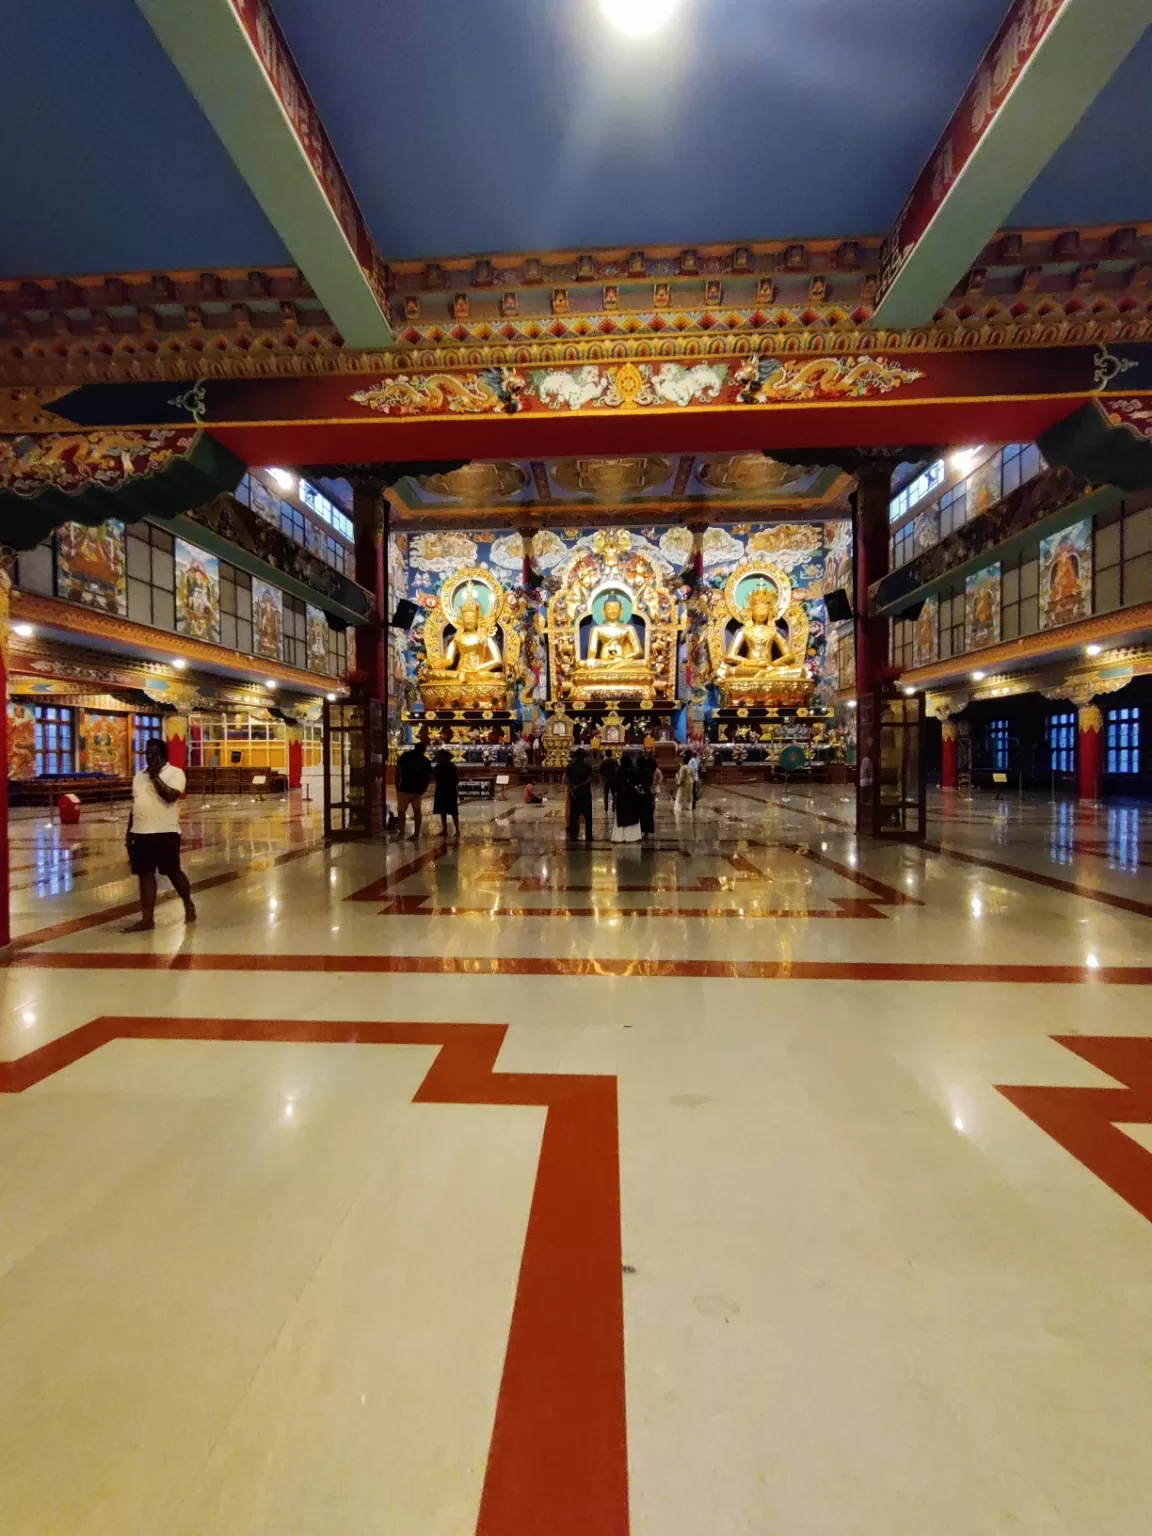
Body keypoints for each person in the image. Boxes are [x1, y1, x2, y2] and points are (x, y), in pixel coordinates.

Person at [125, 737, 196, 932]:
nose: (149, 757)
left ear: (162, 755)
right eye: (146, 753)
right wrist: (129, 832)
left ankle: (188, 902)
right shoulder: (139, 776)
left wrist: (155, 777)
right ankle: (147, 919)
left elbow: (170, 797)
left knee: (173, 872)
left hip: (166, 833)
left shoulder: (175, 773)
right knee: (145, 875)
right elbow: (135, 806)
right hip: (141, 832)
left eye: (153, 754)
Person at [395, 739, 432, 839]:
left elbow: (398, 771)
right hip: (418, 790)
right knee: (417, 812)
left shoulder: (405, 757)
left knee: (401, 811)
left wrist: (397, 786)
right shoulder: (425, 761)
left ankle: (401, 833)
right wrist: (424, 787)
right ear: (424, 750)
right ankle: (416, 833)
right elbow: (429, 776)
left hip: (405, 788)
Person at [564, 746, 595, 845]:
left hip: (574, 794)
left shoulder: (570, 766)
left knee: (574, 816)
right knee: (588, 816)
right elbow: (590, 779)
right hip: (585, 793)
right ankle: (589, 836)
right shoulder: (587, 765)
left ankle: (573, 835)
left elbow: (566, 780)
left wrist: (572, 790)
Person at [611, 753, 643, 844]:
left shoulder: (618, 772)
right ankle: (632, 837)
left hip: (621, 797)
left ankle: (619, 837)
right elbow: (638, 784)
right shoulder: (634, 772)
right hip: (632, 797)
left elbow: (614, 786)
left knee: (621, 817)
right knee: (632, 816)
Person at [432, 748, 460, 839]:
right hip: (450, 790)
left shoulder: (438, 767)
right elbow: (456, 780)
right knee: (451, 811)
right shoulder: (452, 767)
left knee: (444, 811)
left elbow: (434, 777)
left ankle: (446, 829)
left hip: (442, 789)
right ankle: (456, 829)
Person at [636, 751, 658, 839]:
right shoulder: (648, 772)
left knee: (639, 813)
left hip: (638, 795)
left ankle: (638, 831)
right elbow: (650, 782)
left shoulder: (636, 771)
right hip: (647, 793)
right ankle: (646, 833)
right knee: (647, 814)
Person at [599, 749, 619, 814]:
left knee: (605, 794)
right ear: (611, 753)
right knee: (614, 794)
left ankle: (606, 808)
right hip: (613, 780)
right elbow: (618, 770)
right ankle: (613, 807)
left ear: (606, 754)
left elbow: (600, 771)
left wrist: (603, 778)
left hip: (606, 780)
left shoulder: (603, 762)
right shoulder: (615, 761)